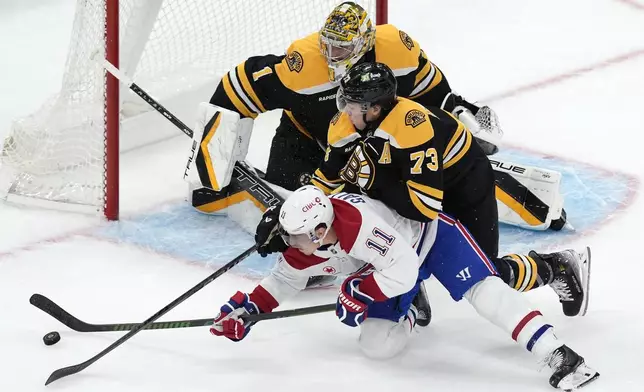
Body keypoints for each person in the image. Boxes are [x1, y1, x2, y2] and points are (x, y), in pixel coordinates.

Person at [185, 2, 564, 233]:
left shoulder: (394, 50)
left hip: (371, 147)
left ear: (365, 44)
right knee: (301, 211)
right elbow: (238, 87)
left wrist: (458, 110)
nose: (332, 55)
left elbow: (431, 89)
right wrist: (210, 155)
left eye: (343, 48)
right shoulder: (303, 66)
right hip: (304, 140)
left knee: (405, 198)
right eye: (328, 45)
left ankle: (502, 191)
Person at [210, 185, 599, 390]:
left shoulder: (358, 226)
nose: (287, 244)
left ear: (320, 230)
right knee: (377, 346)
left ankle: (556, 352)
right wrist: (247, 309)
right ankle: (413, 307)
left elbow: (405, 267)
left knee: (485, 292)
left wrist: (360, 292)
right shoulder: (308, 241)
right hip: (391, 266)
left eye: (293, 237)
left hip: (429, 238)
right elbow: (282, 279)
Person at [310, 62, 589, 317]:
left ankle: (556, 267)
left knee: (484, 275)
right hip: (409, 181)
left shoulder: (411, 127)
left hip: (464, 183)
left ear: (375, 108)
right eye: (345, 100)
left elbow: (423, 208)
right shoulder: (345, 124)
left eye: (353, 104)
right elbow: (328, 177)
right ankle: (408, 288)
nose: (345, 110)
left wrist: (375, 182)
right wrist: (295, 212)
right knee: (366, 214)